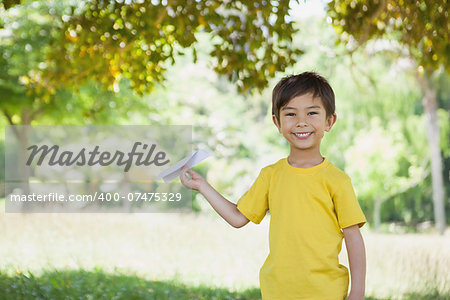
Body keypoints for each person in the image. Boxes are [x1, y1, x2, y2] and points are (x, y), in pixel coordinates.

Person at [180, 72, 367, 300]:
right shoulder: (270, 175)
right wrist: (202, 185)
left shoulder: (337, 180)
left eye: (312, 113)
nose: (301, 122)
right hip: (277, 292)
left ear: (329, 121)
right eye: (290, 113)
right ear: (277, 122)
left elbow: (353, 237)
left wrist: (357, 291)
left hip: (327, 292)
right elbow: (238, 217)